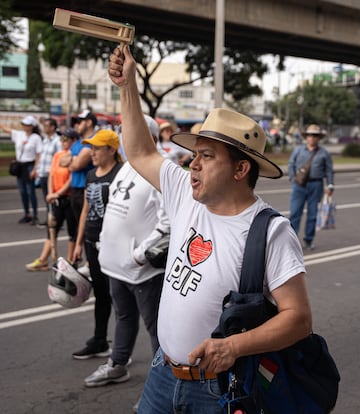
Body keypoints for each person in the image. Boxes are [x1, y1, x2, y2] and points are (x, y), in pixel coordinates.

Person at [109, 46, 312, 414]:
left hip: (217, 390)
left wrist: (232, 347)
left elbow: (298, 319)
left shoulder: (270, 231)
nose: (192, 165)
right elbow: (140, 152)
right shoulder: (185, 196)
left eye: (207, 156)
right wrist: (127, 86)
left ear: (240, 170)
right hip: (161, 373)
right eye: (194, 154)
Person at [83, 115, 169, 387]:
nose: (124, 139)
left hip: (143, 272)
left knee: (158, 329)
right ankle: (118, 364)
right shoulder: (127, 166)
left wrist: (140, 254)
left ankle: (163, 385)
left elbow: (169, 222)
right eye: (124, 133)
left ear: (152, 139)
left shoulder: (162, 169)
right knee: (123, 317)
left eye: (131, 133)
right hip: (115, 267)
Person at [72, 129, 123, 359]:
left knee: (121, 299)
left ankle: (123, 348)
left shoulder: (121, 175)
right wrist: (79, 243)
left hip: (113, 245)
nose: (91, 152)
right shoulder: (92, 175)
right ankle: (99, 340)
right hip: (92, 243)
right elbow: (85, 210)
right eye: (90, 148)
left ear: (111, 150)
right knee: (101, 295)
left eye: (96, 148)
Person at [25, 128, 79, 271]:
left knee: (72, 231)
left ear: (74, 141)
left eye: (66, 139)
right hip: (55, 198)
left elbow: (72, 178)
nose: (62, 142)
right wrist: (50, 193)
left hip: (68, 197)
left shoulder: (75, 156)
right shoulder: (57, 155)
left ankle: (70, 262)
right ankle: (43, 260)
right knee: (51, 229)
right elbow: (52, 175)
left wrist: (59, 193)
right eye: (61, 139)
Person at [288, 124, 334, 250]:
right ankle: (291, 241)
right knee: (295, 213)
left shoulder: (324, 153)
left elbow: (329, 170)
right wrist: (292, 179)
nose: (312, 138)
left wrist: (330, 185)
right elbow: (291, 164)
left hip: (316, 185)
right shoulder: (298, 150)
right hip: (299, 185)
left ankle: (309, 240)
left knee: (313, 215)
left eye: (315, 135)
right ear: (306, 137)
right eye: (310, 135)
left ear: (319, 138)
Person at [0, 115, 42, 225]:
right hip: (20, 165)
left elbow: (38, 154)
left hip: (29, 165)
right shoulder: (19, 135)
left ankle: (35, 215)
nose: (24, 126)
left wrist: (35, 169)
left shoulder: (36, 138)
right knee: (22, 191)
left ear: (32, 126)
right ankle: (26, 214)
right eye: (23, 124)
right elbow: (6, 129)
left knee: (30, 191)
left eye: (26, 124)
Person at [60, 110, 95, 224]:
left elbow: (78, 165)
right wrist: (74, 160)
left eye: (80, 122)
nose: (76, 125)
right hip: (75, 189)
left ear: (89, 123)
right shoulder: (78, 143)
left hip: (86, 189)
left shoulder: (92, 141)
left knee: (85, 226)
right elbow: (61, 161)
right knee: (77, 225)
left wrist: (73, 160)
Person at [36, 117, 62, 226]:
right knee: (47, 199)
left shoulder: (57, 141)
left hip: (51, 175)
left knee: (53, 199)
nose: (45, 128)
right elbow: (42, 156)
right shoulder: (45, 140)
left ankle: (56, 220)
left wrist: (52, 171)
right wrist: (38, 170)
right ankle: (50, 219)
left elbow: (60, 157)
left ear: (53, 127)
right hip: (43, 174)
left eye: (47, 126)